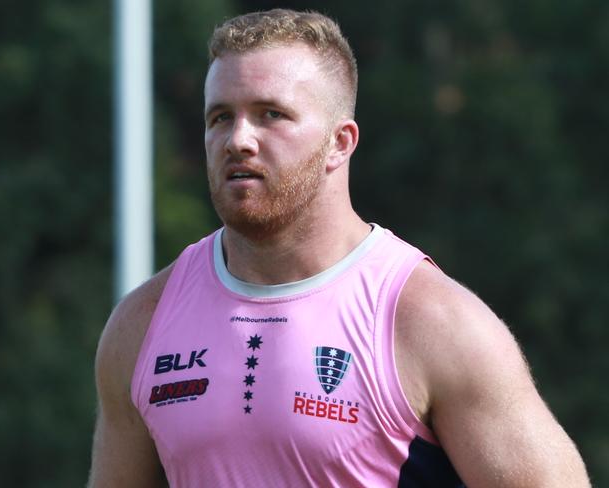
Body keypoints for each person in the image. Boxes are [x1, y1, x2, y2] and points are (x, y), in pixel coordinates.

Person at [88, 8, 590, 487]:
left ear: (340, 143)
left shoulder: (431, 321)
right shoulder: (144, 322)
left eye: (271, 114)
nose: (238, 139)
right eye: (220, 117)